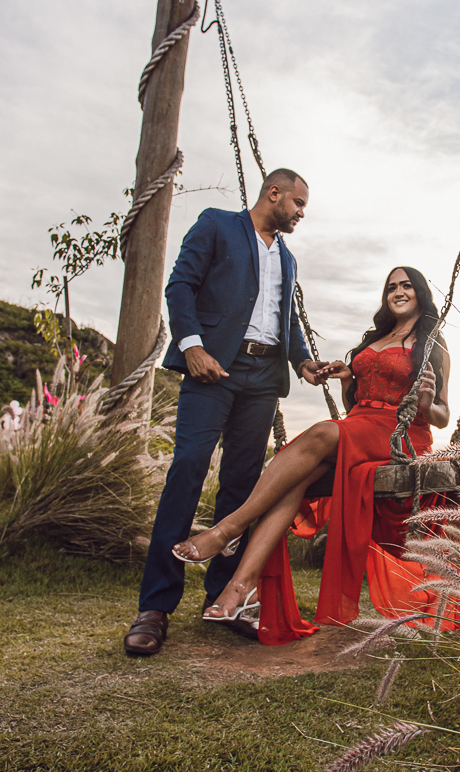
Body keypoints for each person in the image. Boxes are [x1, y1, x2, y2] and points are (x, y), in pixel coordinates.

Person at [172, 266, 460, 644]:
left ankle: (229, 528)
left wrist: (426, 400)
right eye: (391, 286)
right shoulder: (378, 337)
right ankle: (241, 587)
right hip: (360, 426)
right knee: (296, 480)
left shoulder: (432, 344)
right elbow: (355, 404)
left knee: (322, 432)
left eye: (406, 285)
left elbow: (441, 417)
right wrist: (347, 380)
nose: (398, 291)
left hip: (399, 434)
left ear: (420, 293)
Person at [123, 169, 329, 657]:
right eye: (297, 203)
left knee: (242, 487)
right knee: (188, 469)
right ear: (273, 193)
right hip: (212, 368)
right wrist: (191, 346)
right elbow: (180, 286)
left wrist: (304, 362)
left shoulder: (289, 258)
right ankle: (154, 607)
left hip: (263, 380)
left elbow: (287, 319)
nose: (301, 212)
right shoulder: (216, 224)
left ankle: (220, 598)